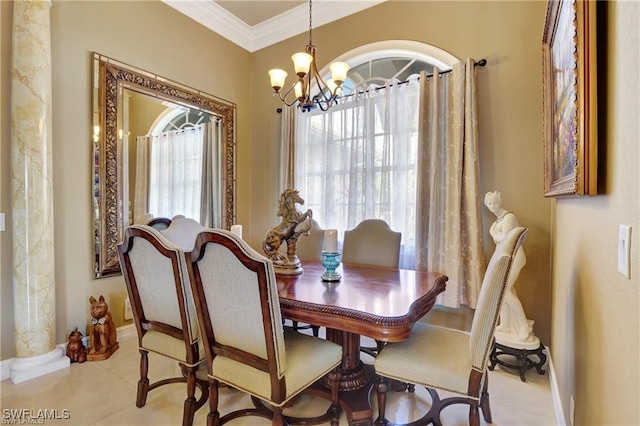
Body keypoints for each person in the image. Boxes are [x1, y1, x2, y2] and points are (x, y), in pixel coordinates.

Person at [484, 191, 538, 345]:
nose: (492, 206)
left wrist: (492, 231)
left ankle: (524, 326)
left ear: (500, 201)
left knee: (504, 291)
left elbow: (506, 239)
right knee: (505, 291)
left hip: (515, 257)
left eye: (494, 203)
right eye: (489, 204)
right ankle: (506, 325)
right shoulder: (498, 220)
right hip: (505, 258)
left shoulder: (509, 217)